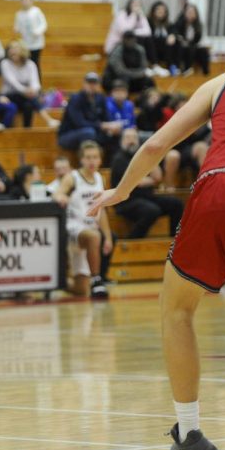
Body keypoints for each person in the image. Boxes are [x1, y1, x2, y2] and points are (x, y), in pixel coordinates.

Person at [89, 7, 225, 450]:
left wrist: (121, 190)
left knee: (177, 310)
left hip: (224, 184)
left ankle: (190, 430)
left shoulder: (224, 82)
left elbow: (158, 144)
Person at [53, 140, 111, 299]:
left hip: (90, 232)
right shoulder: (73, 177)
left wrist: (108, 236)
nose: (91, 161)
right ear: (81, 160)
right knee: (94, 236)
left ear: (100, 159)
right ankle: (97, 280)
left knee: (81, 290)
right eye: (88, 157)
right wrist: (61, 197)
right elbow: (57, 193)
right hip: (73, 230)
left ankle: (60, 282)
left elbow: (102, 210)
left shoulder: (100, 178)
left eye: (95, 157)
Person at [110, 128, 183, 238]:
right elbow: (136, 182)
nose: (131, 141)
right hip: (126, 201)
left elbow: (158, 177)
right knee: (151, 210)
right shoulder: (119, 159)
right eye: (128, 138)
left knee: (176, 204)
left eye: (134, 138)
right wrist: (150, 180)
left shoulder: (142, 157)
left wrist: (150, 155)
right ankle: (131, 241)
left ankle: (175, 240)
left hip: (147, 197)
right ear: (121, 142)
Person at [58, 72, 121, 151]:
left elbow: (106, 119)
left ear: (98, 85)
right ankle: (86, 161)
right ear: (84, 84)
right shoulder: (75, 99)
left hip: (94, 131)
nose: (92, 86)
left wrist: (112, 127)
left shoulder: (100, 98)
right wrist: (102, 126)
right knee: (88, 133)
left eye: (94, 83)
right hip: (69, 134)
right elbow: (79, 123)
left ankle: (111, 162)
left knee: (115, 135)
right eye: (89, 83)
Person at [172, 3, 210, 76]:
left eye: (192, 12)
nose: (190, 14)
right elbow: (175, 32)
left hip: (192, 46)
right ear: (185, 13)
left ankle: (206, 73)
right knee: (185, 48)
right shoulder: (180, 22)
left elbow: (197, 40)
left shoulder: (198, 25)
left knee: (203, 51)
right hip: (181, 46)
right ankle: (185, 69)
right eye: (189, 12)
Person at [13, 0, 47, 74]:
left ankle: (37, 84)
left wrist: (37, 32)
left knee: (35, 64)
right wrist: (16, 29)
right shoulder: (19, 14)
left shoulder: (36, 11)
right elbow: (17, 26)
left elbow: (43, 24)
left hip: (36, 43)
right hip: (25, 44)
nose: (25, 2)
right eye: (24, 0)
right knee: (25, 64)